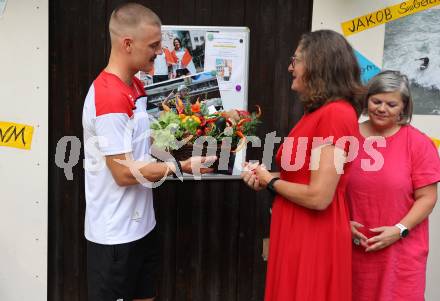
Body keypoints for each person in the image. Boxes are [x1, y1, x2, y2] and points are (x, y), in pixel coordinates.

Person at [82, 3, 214, 301]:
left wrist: (193, 131)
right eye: (153, 45)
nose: (159, 51)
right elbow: (123, 173)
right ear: (127, 44)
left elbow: (147, 143)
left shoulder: (137, 87)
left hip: (143, 226)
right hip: (114, 236)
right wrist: (180, 167)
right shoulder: (109, 96)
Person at [241, 29, 364, 301]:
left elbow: (319, 196)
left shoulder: (335, 115)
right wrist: (264, 177)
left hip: (313, 234)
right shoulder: (317, 113)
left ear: (318, 64)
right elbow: (301, 177)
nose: (290, 67)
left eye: (295, 60)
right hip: (296, 227)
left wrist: (271, 180)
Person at [347, 70, 440, 301]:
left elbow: (427, 197)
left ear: (403, 108)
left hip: (400, 257)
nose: (381, 108)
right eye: (376, 101)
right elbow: (329, 188)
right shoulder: (346, 136)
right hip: (350, 252)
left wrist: (399, 230)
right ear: (367, 100)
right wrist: (341, 224)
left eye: (391, 104)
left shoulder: (418, 143)